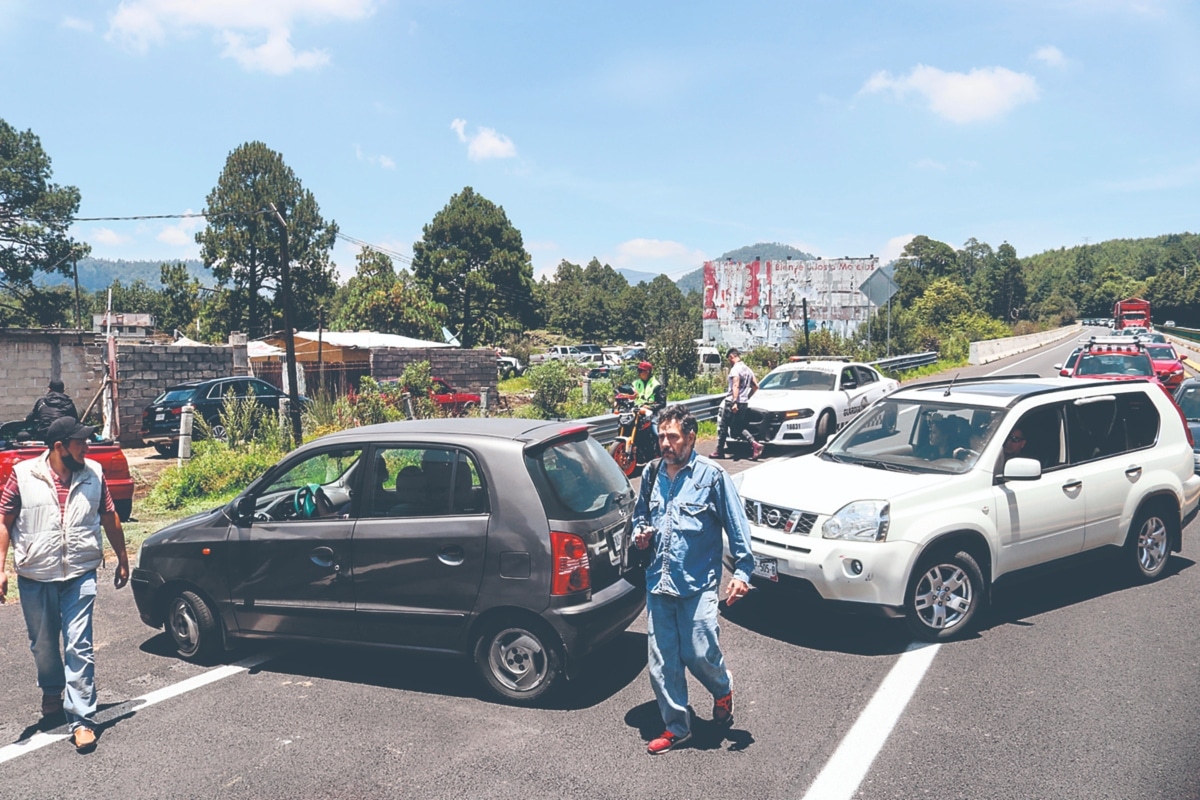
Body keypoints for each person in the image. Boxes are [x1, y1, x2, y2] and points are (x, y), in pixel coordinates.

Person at [0, 416, 130, 753]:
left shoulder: (93, 474)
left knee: (79, 644)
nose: (86, 447)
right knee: (43, 645)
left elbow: (109, 517)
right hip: (35, 574)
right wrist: (0, 568)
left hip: (80, 573)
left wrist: (122, 557)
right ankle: (51, 691)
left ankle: (82, 718)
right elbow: (4, 520)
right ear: (60, 446)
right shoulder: (24, 474)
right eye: (80, 442)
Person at [632, 405, 755, 755]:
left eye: (672, 437)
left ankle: (722, 690)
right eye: (661, 437)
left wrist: (743, 572)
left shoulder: (712, 477)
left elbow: (736, 526)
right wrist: (640, 533)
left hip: (697, 584)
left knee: (700, 652)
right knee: (663, 661)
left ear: (690, 436)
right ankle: (677, 727)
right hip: (658, 581)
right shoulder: (651, 473)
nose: (665, 444)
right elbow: (640, 516)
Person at [710, 348, 764, 460]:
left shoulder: (735, 370)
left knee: (723, 427)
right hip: (744, 403)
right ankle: (755, 444)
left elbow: (736, 385)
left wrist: (734, 402)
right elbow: (756, 386)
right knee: (738, 427)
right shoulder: (748, 370)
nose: (729, 362)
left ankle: (719, 451)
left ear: (731, 357)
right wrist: (746, 397)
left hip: (732, 402)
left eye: (729, 359)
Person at [633, 360, 667, 437]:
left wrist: (650, 407)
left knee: (656, 432)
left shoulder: (657, 385)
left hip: (652, 413)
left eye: (641, 371)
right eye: (638, 370)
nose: (639, 373)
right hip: (637, 411)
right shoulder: (636, 383)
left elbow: (662, 403)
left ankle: (663, 446)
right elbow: (629, 395)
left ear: (647, 372)